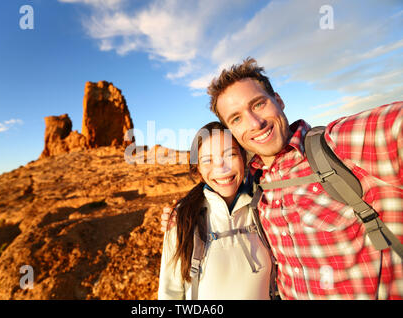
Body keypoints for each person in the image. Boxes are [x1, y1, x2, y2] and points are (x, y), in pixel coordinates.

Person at [162, 58, 403, 299]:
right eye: (236, 118)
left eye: (258, 104)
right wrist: (184, 215)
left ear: (279, 100)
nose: (255, 123)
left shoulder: (339, 145)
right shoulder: (257, 186)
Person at [158, 121, 273, 300]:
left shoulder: (264, 207)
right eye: (207, 160)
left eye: (231, 155)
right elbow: (169, 293)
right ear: (198, 169)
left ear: (244, 157)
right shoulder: (183, 218)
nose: (222, 167)